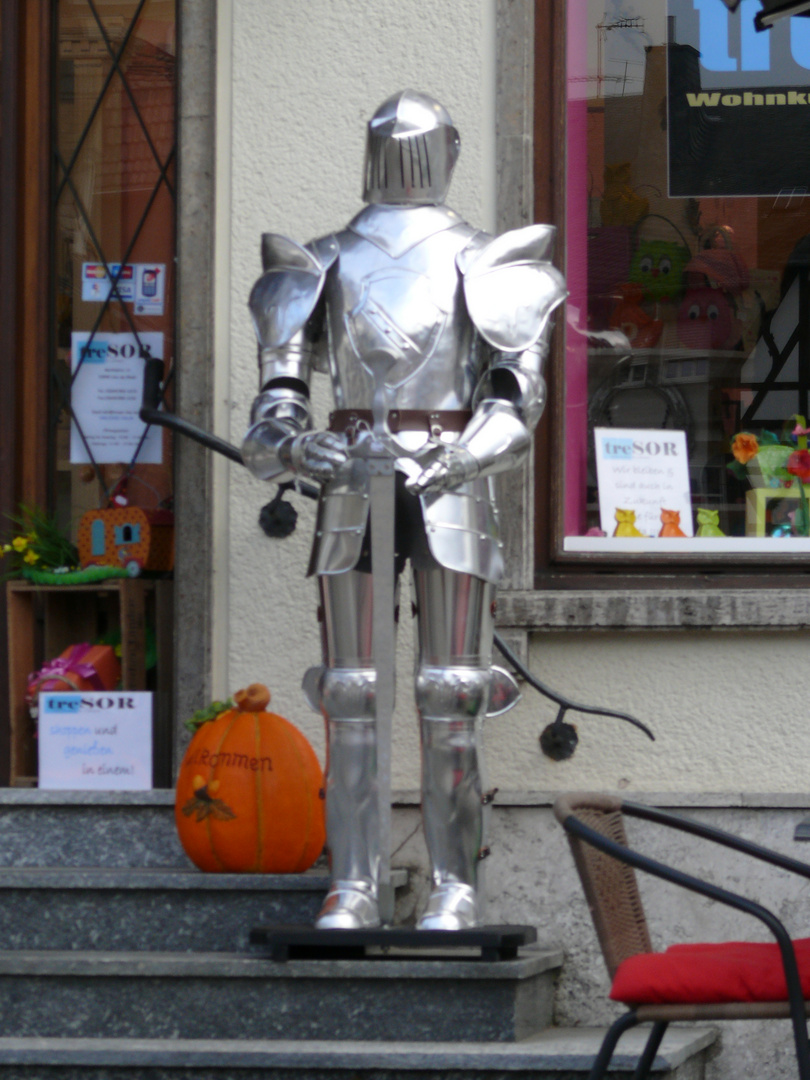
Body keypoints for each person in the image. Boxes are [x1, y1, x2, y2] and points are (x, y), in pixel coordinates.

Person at [242, 90, 565, 931]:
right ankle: (353, 883)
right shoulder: (317, 262)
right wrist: (297, 443)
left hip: (451, 480)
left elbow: (514, 398)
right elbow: (275, 405)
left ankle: (453, 886)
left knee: (452, 689)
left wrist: (460, 453)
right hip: (350, 472)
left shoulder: (490, 260)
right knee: (350, 691)